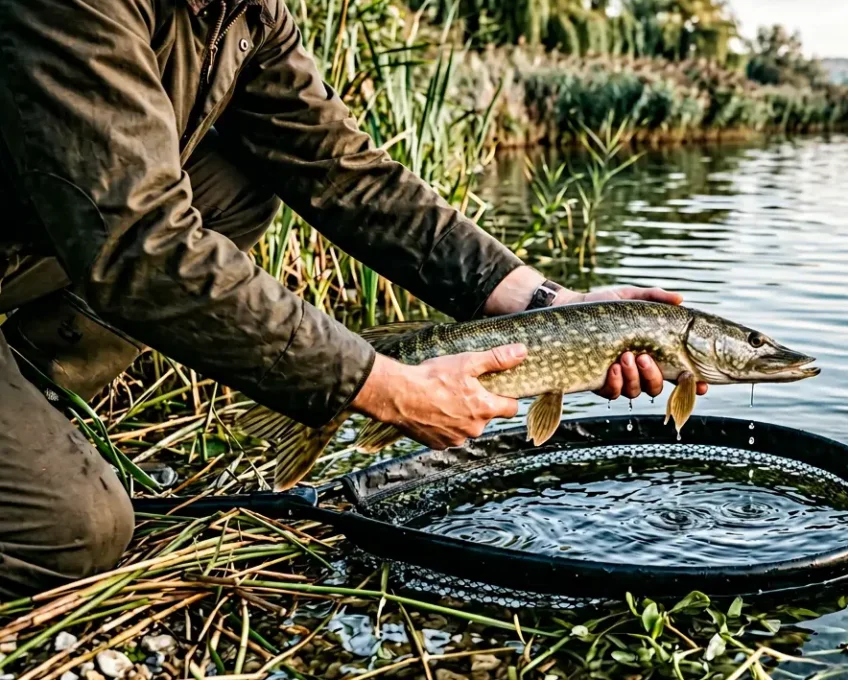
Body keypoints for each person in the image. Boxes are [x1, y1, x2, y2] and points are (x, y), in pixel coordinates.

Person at [0, 0, 706, 598]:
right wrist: (382, 388)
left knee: (237, 183)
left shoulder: (246, 12)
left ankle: (35, 393)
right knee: (75, 532)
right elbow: (143, 243)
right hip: (100, 241)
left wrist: (544, 300)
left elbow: (344, 173)